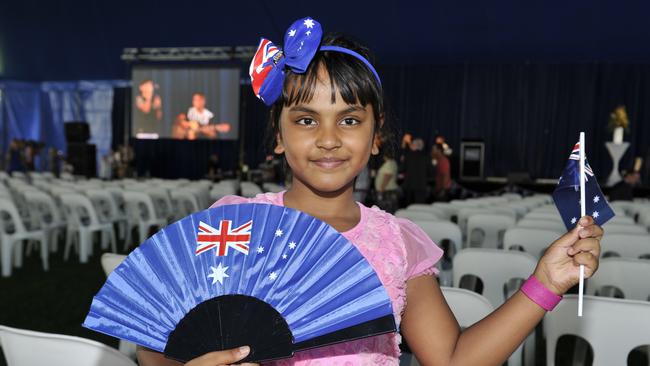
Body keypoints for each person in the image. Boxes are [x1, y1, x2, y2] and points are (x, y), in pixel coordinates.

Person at [137, 17, 603, 366]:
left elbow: (454, 358)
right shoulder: (232, 223)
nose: (328, 138)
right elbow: (152, 341)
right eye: (305, 120)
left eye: (350, 120)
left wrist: (545, 283)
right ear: (278, 136)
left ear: (376, 136)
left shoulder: (397, 241)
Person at [401, 137, 430, 205]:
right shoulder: (426, 157)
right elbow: (431, 172)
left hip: (409, 185)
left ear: (415, 146)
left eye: (412, 144)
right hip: (421, 186)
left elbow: (402, 169)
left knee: (408, 208)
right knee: (420, 207)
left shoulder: (407, 155)